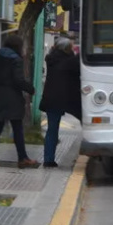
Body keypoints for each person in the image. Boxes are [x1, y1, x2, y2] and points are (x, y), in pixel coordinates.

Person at [0, 35, 39, 169]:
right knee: (17, 129)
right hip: (12, 98)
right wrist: (30, 89)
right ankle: (22, 158)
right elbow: (18, 80)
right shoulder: (16, 59)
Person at [39, 37, 82, 168]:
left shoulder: (51, 59)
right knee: (86, 120)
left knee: (52, 130)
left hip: (51, 98)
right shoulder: (70, 61)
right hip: (68, 99)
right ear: (67, 48)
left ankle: (48, 159)